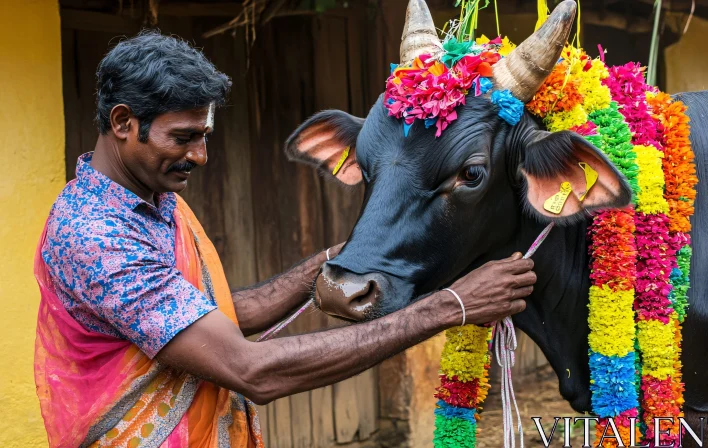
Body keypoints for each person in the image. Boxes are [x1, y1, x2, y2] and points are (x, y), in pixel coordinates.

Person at [33, 31, 536, 447]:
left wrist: (336, 262)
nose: (202, 155)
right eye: (184, 137)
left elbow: (217, 314)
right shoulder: (95, 233)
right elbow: (249, 369)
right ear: (123, 123)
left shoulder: (154, 201)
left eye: (204, 135)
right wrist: (452, 305)